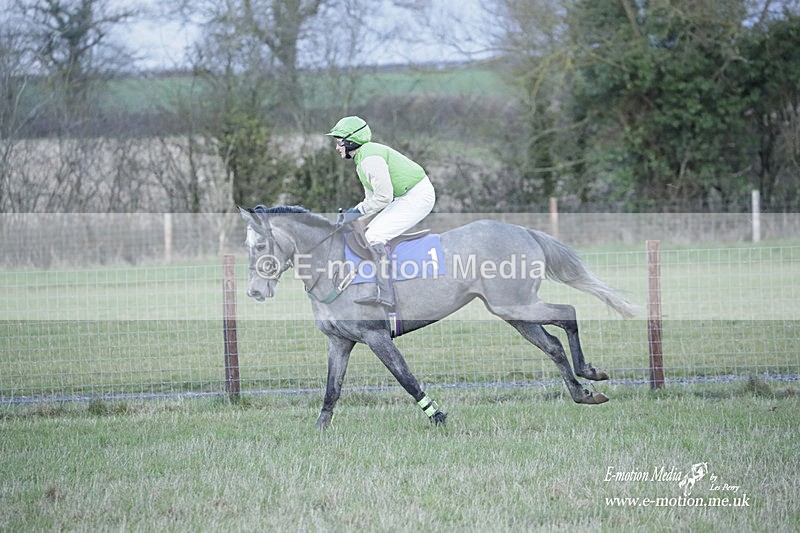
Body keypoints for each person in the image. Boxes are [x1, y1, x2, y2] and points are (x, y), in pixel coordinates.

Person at [326, 116, 436, 307]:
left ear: (351, 141)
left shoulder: (369, 158)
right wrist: (354, 215)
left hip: (417, 195)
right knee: (369, 235)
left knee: (375, 236)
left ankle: (386, 293)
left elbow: (384, 197)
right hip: (408, 195)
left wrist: (356, 212)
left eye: (339, 142)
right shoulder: (363, 158)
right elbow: (372, 200)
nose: (337, 148)